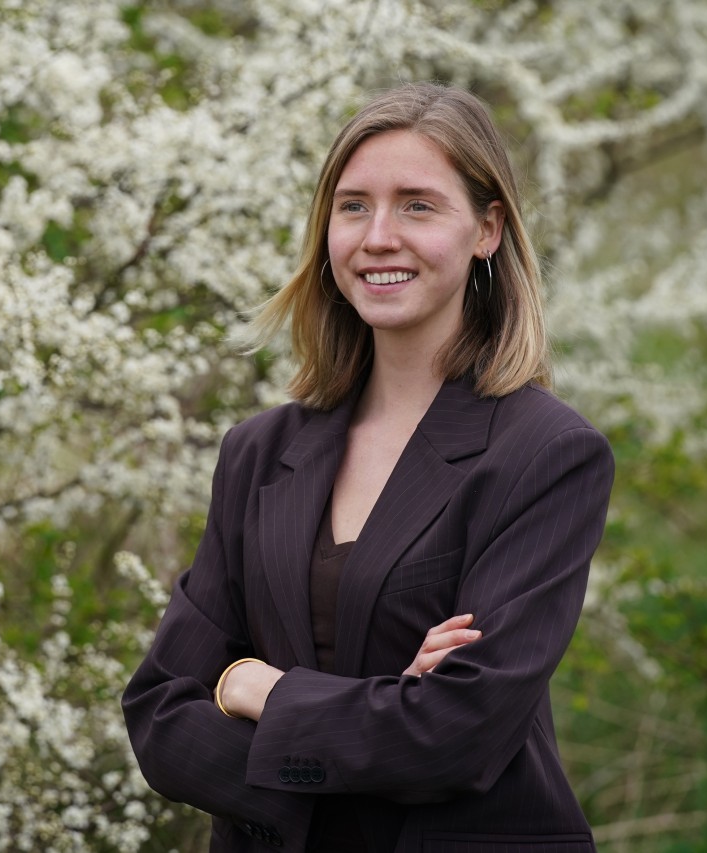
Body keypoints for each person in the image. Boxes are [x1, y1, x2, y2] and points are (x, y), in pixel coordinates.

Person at [122, 82, 614, 852]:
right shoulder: (258, 452)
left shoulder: (544, 454)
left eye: (417, 205)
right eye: (353, 206)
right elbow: (159, 714)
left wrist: (259, 688)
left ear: (486, 229)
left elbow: (457, 733)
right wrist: (378, 721)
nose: (379, 236)